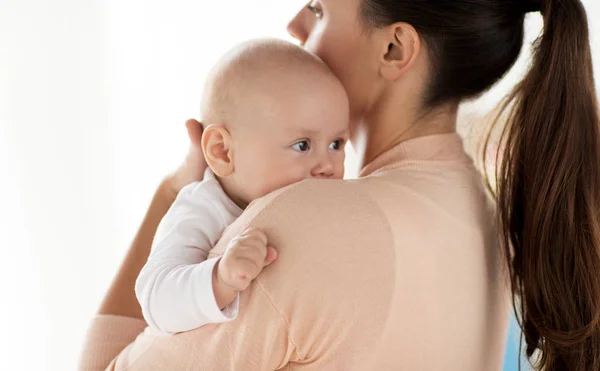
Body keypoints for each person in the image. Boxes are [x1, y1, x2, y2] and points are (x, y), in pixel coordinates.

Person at [79, 0, 600, 370]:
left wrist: (179, 190)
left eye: (319, 8)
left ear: (395, 48)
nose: (294, 23)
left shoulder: (304, 223)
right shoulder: (484, 215)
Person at [135, 38, 349, 335]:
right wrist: (220, 280)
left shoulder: (324, 206)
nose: (328, 165)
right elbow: (156, 298)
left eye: (336, 144)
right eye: (302, 145)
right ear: (223, 152)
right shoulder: (203, 209)